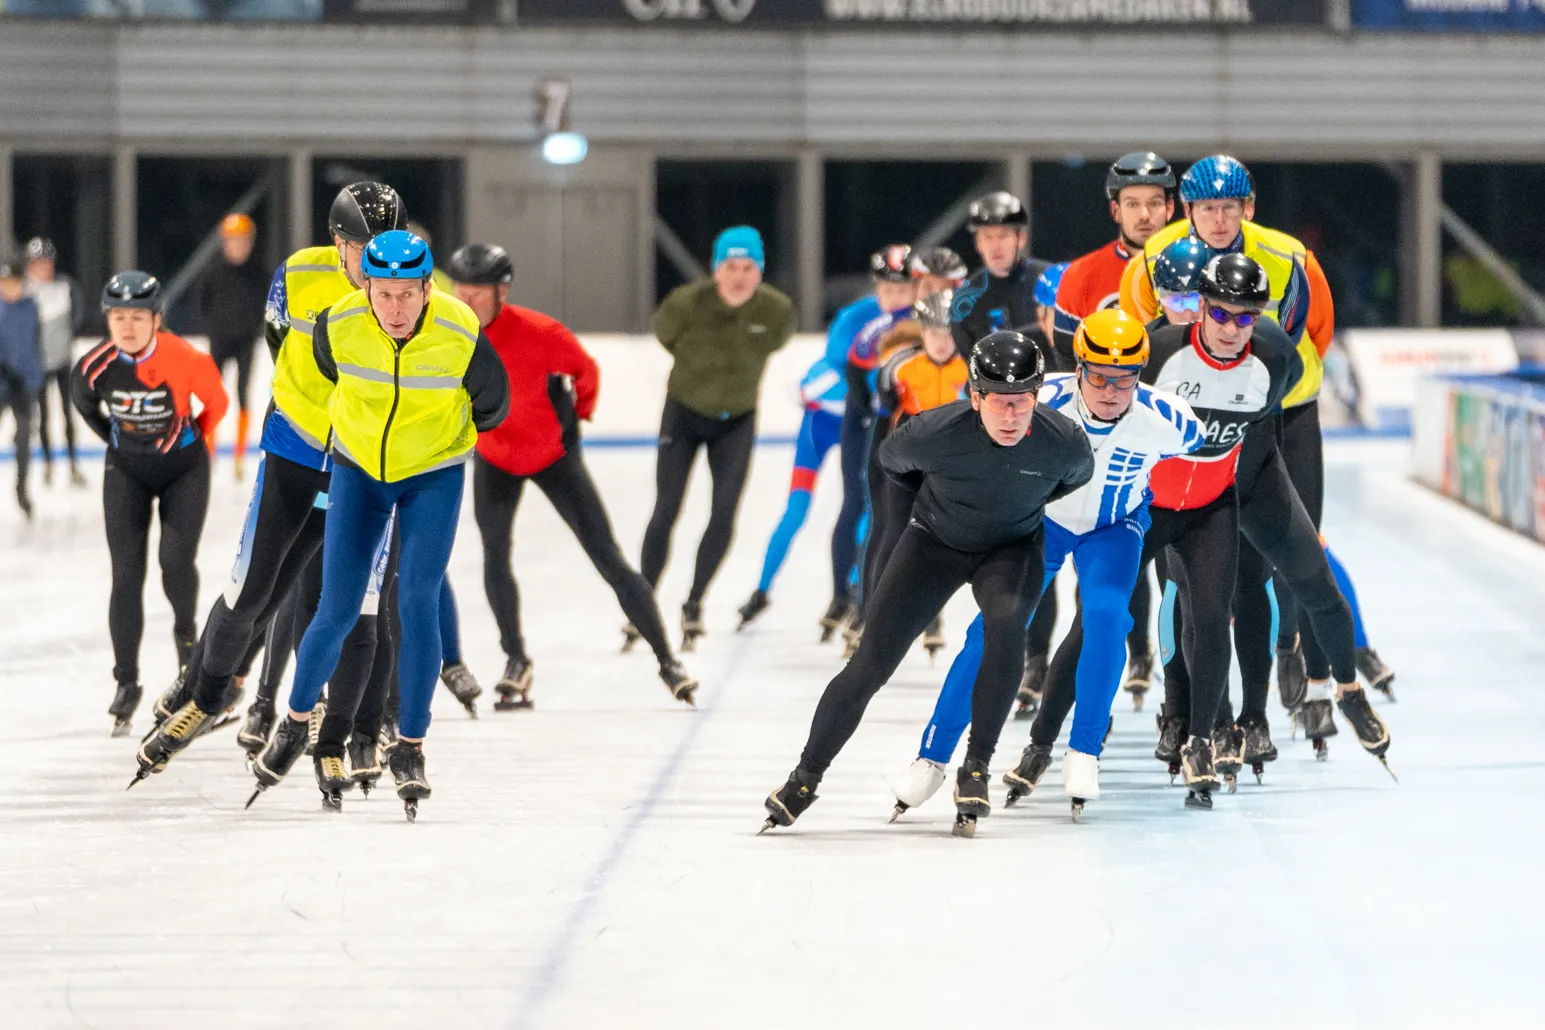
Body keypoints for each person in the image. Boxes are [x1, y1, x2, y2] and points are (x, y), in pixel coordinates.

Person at [761, 331, 1093, 839]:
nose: (1010, 415)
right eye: (999, 402)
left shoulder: (1064, 441)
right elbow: (892, 465)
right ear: (975, 396)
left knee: (1006, 630)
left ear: (1038, 395)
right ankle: (805, 778)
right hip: (932, 545)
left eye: (1022, 402)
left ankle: (975, 767)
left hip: (1011, 550)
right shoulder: (933, 433)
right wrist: (935, 509)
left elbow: (1073, 478)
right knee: (871, 662)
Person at [131, 181, 407, 787]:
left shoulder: (403, 289)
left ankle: (360, 729)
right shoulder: (298, 275)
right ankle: (203, 692)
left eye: (387, 243)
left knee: (354, 606)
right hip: (295, 450)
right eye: (365, 246)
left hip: (360, 466)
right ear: (338, 242)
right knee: (254, 589)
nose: (377, 257)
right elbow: (278, 340)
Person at [897, 309, 1202, 822]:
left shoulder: (1169, 419)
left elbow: (1212, 454)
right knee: (990, 632)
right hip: (1042, 524)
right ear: (1078, 369)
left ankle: (1084, 751)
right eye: (1099, 377)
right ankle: (932, 754)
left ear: (1140, 376)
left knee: (1107, 617)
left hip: (1114, 526)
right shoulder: (1045, 399)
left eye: (1124, 379)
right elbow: (977, 424)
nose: (1109, 390)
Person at [256, 230, 508, 821]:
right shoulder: (337, 323)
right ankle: (294, 725)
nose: (395, 309)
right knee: (337, 608)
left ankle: (411, 746)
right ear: (365, 284)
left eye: (407, 295)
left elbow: (494, 405)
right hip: (360, 470)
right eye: (383, 293)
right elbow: (323, 374)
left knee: (416, 600)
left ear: (428, 289)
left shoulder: (460, 331)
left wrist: (436, 442)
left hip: (431, 477)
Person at [446, 243, 697, 710]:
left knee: (607, 556)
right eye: (460, 289)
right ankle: (516, 660)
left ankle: (667, 660)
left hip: (552, 456)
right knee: (495, 557)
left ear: (502, 291)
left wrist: (577, 416)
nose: (466, 301)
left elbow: (586, 371)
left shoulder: (540, 332)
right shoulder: (447, 334)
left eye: (477, 292)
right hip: (496, 457)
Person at [72, 272, 228, 735]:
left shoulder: (185, 357)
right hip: (127, 473)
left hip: (184, 470)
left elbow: (215, 402)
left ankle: (187, 648)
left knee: (175, 562)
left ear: (157, 319)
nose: (127, 326)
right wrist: (117, 443)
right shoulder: (94, 366)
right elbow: (84, 405)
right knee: (125, 573)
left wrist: (190, 439)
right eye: (118, 317)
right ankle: (127, 682)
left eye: (138, 317)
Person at [1047, 152, 1177, 697]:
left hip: (1167, 435)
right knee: (1102, 562)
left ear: (1171, 207)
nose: (1145, 215)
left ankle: (1168, 671)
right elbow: (1062, 364)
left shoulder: (1190, 267)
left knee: (1174, 569)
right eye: (1133, 205)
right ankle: (1106, 668)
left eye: (1154, 204)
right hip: (1103, 439)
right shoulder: (1082, 275)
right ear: (1114, 209)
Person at [639, 226, 795, 651]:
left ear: (759, 271)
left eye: (748, 267)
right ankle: (642, 601)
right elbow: (666, 335)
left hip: (737, 421)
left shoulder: (777, 311)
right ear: (716, 269)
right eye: (731, 267)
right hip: (684, 414)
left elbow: (777, 341)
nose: (739, 276)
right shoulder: (685, 304)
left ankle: (693, 602)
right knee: (667, 508)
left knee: (724, 511)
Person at [854, 290, 968, 657]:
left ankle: (930, 618)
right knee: (893, 537)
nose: (941, 342)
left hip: (948, 467)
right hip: (906, 464)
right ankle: (871, 619)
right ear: (922, 332)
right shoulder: (898, 365)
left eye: (948, 333)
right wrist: (879, 467)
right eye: (934, 334)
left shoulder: (969, 365)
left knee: (939, 544)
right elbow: (884, 418)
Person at [736, 350, 846, 629]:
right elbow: (802, 391)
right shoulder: (832, 367)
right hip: (819, 429)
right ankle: (762, 589)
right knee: (797, 509)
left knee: (862, 507)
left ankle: (852, 590)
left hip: (839, 426)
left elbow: (802, 392)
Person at [197, 212, 268, 480]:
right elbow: (202, 304)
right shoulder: (212, 273)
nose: (239, 247)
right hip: (219, 339)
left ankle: (239, 457)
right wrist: (214, 327)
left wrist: (252, 327)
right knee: (214, 395)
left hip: (246, 340)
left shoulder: (258, 273)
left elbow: (266, 303)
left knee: (242, 394)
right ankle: (209, 452)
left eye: (243, 241)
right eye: (233, 241)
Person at [949, 191, 1050, 362]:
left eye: (1003, 236)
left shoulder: (1049, 281)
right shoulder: (964, 300)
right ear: (978, 243)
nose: (996, 246)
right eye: (988, 237)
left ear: (1021, 238)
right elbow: (969, 361)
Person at [23, 237, 88, 488]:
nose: (44, 268)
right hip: (38, 362)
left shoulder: (64, 286)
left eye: (46, 262)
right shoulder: (25, 291)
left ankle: (72, 464)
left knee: (67, 413)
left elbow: (77, 315)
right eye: (38, 263)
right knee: (43, 416)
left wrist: (68, 339)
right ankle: (49, 465)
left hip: (62, 360)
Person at [0, 260, 44, 519]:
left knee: (24, 438)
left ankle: (22, 490)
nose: (10, 288)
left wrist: (34, 378)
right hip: (2, 382)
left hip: (25, 385)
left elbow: (35, 344)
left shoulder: (30, 308)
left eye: (13, 283)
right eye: (5, 283)